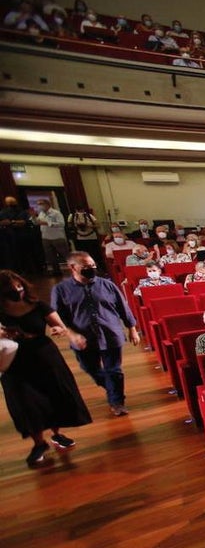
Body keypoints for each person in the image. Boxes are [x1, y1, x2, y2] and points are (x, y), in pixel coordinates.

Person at [1, 270, 92, 467]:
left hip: (44, 356)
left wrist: (67, 333)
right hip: (15, 361)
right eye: (11, 289)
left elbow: (60, 326)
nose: (18, 291)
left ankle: (57, 433)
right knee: (27, 403)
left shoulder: (38, 306)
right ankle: (39, 443)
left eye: (19, 286)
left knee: (53, 394)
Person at [51, 252, 141, 416]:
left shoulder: (107, 285)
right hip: (83, 337)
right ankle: (111, 387)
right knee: (90, 368)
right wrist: (72, 334)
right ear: (73, 267)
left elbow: (123, 308)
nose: (91, 269)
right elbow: (57, 317)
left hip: (110, 334)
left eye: (93, 265)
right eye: (86, 266)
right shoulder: (61, 290)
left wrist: (132, 329)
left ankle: (117, 402)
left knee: (114, 370)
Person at [1, 196, 34, 273]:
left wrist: (13, 222)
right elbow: (4, 222)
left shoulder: (22, 211)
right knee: (15, 254)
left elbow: (28, 222)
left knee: (26, 253)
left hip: (23, 235)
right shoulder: (3, 212)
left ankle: (28, 270)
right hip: (10, 237)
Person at [35, 199, 68, 275]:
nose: (39, 206)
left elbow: (62, 224)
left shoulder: (56, 213)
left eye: (41, 204)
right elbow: (37, 222)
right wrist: (34, 217)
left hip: (57, 237)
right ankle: (56, 271)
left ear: (47, 204)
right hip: (45, 237)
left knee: (65, 254)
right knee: (51, 256)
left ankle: (75, 268)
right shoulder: (41, 213)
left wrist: (48, 223)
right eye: (38, 204)